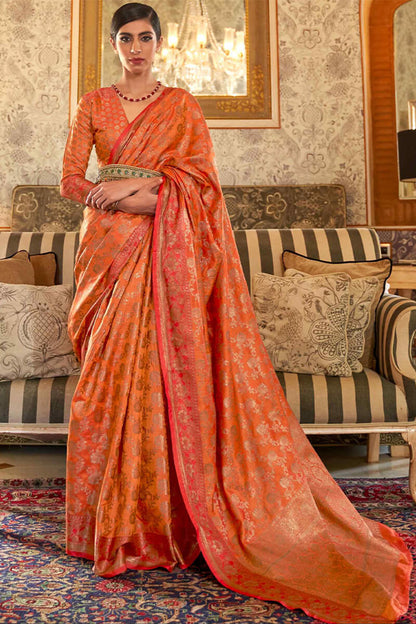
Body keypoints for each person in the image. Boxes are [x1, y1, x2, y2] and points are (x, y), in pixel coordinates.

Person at [61, 3, 412, 622]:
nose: (136, 48)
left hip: (161, 251)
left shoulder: (181, 106)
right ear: (113, 45)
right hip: (107, 252)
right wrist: (107, 194)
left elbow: (199, 184)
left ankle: (168, 520)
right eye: (126, 38)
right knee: (104, 388)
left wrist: (140, 195)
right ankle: (109, 523)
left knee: (159, 386)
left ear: (159, 44)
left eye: (146, 38)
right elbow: (69, 179)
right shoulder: (94, 103)